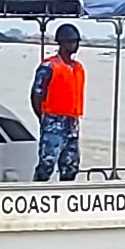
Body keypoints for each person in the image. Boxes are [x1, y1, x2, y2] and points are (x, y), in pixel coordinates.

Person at [30, 23, 85, 181]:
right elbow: (37, 94)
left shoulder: (78, 68)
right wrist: (44, 118)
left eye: (76, 41)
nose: (74, 45)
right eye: (70, 41)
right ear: (61, 43)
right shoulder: (49, 66)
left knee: (71, 165)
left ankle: (66, 195)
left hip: (72, 121)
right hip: (53, 120)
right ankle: (37, 194)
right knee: (47, 163)